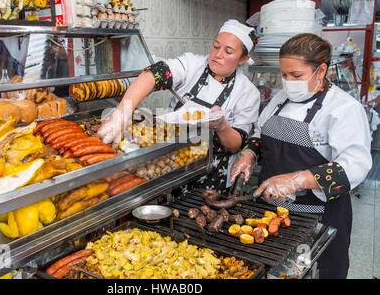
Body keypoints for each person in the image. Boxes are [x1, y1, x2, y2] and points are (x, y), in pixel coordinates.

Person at [230, 33, 372, 279]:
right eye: (284, 75)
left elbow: (355, 166)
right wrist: (250, 152)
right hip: (271, 211)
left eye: (296, 76)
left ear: (321, 70)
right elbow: (261, 133)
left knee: (314, 272)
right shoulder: (281, 99)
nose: (288, 82)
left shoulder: (344, 109)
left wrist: (298, 179)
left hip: (318, 215)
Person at [98, 20, 260, 193]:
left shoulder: (248, 93)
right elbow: (154, 74)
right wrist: (122, 113)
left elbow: (236, 145)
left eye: (228, 51)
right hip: (171, 165)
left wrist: (222, 126)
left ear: (244, 58)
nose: (217, 54)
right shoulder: (193, 64)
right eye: (215, 46)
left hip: (212, 177)